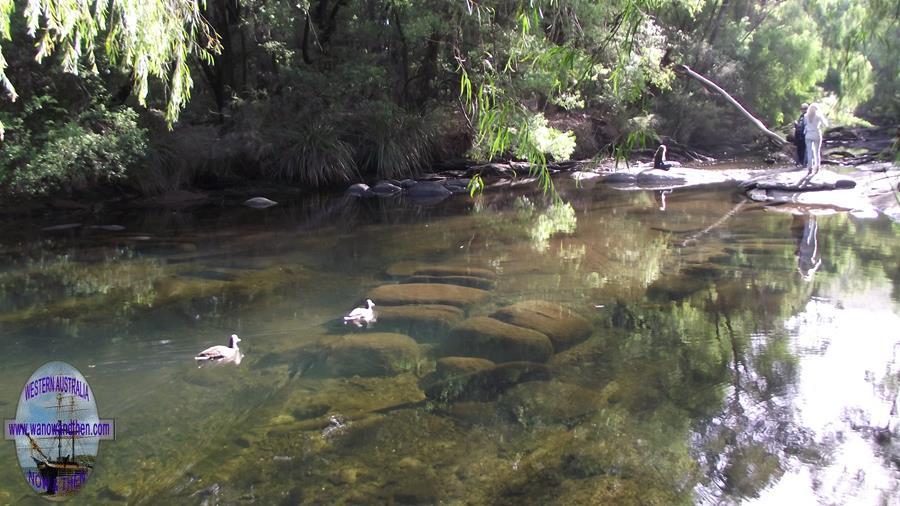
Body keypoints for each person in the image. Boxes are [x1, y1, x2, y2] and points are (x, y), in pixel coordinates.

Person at [804, 102, 829, 174]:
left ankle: (809, 168)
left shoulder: (806, 116)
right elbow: (826, 125)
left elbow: (805, 125)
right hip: (816, 134)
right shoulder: (819, 116)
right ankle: (817, 166)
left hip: (808, 134)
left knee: (809, 151)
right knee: (816, 151)